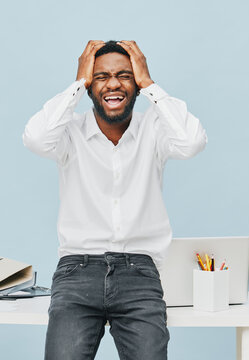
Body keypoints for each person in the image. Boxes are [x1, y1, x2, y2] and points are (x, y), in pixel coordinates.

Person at [23, 40, 207, 360]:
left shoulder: (155, 128)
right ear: (91, 86)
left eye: (124, 75)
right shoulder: (70, 132)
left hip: (140, 272)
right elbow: (35, 138)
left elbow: (192, 142)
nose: (113, 84)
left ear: (135, 83)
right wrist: (78, 82)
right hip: (77, 271)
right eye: (101, 76)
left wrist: (150, 83)